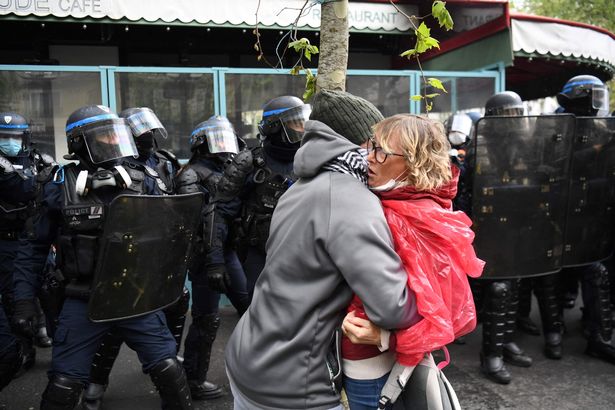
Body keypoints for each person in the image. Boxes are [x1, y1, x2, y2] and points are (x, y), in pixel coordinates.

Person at [225, 89, 419, 410]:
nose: (376, 155)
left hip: (250, 355)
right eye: (374, 144)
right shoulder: (350, 198)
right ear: (357, 143)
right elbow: (393, 307)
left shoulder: (301, 184)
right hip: (292, 382)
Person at [10, 105, 192, 409]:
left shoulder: (144, 180)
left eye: (115, 134)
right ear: (79, 142)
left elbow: (168, 238)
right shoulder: (58, 185)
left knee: (169, 370)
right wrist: (23, 300)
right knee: (64, 386)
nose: (113, 142)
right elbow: (33, 248)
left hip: (134, 296)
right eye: (105, 136)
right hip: (83, 298)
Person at [340, 114, 483, 409]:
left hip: (372, 365)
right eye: (370, 146)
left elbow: (444, 317)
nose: (369, 158)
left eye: (380, 151)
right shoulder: (402, 203)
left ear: (413, 163)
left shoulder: (416, 219)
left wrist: (386, 339)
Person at [83, 107, 191, 410]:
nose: (147, 135)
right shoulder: (119, 165)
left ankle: (167, 358)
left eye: (149, 128)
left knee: (174, 302)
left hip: (159, 247)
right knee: (116, 319)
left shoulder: (164, 161)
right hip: (127, 251)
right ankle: (97, 379)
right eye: (139, 130)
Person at [174, 115, 250, 400]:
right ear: (200, 144)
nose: (223, 146)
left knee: (252, 311)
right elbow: (193, 221)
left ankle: (255, 370)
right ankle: (194, 378)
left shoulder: (230, 170)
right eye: (216, 139)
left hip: (229, 251)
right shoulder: (191, 175)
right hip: (205, 255)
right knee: (207, 319)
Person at [471, 91, 534, 384]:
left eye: (516, 114)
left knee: (514, 286)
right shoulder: (478, 150)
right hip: (489, 229)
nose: (513, 121)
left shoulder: (525, 148)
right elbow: (467, 198)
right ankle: (491, 353)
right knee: (498, 289)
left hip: (517, 227)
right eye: (507, 114)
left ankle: (505, 341)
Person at [556, 75, 615, 363]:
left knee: (601, 271)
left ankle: (597, 323)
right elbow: (555, 164)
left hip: (599, 209)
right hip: (565, 209)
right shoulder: (559, 125)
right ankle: (593, 335)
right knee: (588, 271)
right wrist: (597, 148)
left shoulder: (604, 126)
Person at [233, 95, 311, 300]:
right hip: (260, 252)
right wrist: (217, 259)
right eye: (296, 122)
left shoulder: (312, 158)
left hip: (303, 251)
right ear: (274, 126)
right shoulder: (250, 161)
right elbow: (223, 209)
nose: (302, 128)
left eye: (304, 121)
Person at [0, 111, 55, 380]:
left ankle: (61, 351)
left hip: (37, 238)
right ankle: (23, 352)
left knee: (52, 291)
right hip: (6, 241)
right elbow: (19, 189)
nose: (10, 140)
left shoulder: (38, 159)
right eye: (3, 136)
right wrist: (41, 180)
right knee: (15, 298)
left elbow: (55, 189)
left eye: (14, 135)